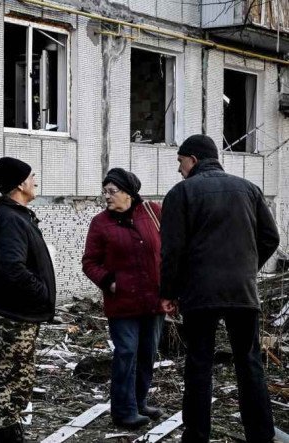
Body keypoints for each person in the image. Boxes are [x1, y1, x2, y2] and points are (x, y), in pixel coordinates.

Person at [160, 134, 279, 442]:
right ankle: (261, 435)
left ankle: (197, 436)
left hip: (200, 295)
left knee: (199, 363)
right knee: (249, 361)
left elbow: (173, 250)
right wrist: (246, 270)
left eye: (180, 162)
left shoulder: (181, 194)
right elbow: (271, 238)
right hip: (242, 292)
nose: (179, 169)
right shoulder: (249, 190)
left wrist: (169, 292)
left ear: (193, 160)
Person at [82, 168, 165, 429]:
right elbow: (89, 262)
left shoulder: (152, 211)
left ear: (128, 193)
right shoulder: (100, 222)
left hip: (153, 299)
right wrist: (109, 281)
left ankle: (139, 402)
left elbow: (168, 249)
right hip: (122, 301)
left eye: (112, 191)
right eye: (104, 191)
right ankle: (123, 410)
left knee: (147, 353)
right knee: (127, 352)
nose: (106, 196)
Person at [0, 157, 56, 443]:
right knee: (14, 375)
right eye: (31, 175)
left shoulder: (17, 214)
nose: (35, 180)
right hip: (16, 313)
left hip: (21, 311)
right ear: (18, 184)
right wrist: (41, 292)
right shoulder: (11, 219)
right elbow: (13, 268)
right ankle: (6, 432)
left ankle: (10, 427)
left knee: (20, 374)